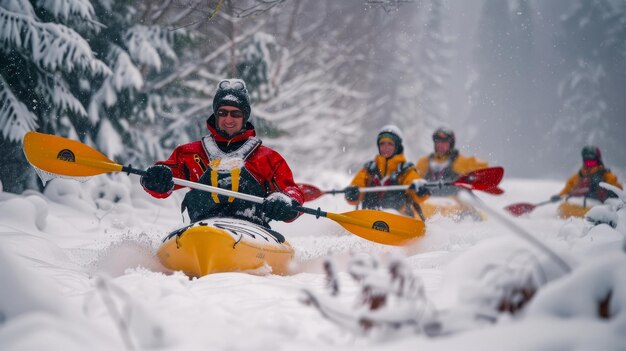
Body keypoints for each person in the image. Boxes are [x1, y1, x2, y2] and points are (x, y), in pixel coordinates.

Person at [140, 78, 304, 228]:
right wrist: (155, 178)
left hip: (253, 233)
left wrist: (287, 203)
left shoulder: (267, 158)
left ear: (244, 116)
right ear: (216, 115)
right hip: (202, 231)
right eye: (222, 113)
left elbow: (291, 190)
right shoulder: (190, 153)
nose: (228, 119)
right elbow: (163, 184)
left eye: (236, 114)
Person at [344, 125, 430, 218]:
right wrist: (352, 195)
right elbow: (357, 191)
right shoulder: (369, 169)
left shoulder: (405, 170)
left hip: (400, 220)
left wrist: (421, 191)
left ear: (397, 146)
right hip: (370, 218)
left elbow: (414, 184)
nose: (386, 147)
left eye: (390, 144)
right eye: (382, 144)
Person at [416, 128, 489, 196]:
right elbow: (414, 179)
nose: (440, 144)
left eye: (444, 141)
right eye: (438, 141)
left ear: (451, 144)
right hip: (427, 203)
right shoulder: (424, 162)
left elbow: (482, 168)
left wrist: (479, 177)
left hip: (453, 204)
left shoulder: (459, 161)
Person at [551, 146, 622, 203]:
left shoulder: (605, 174)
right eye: (587, 163)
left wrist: (606, 192)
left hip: (598, 204)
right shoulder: (579, 175)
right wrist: (560, 196)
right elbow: (568, 188)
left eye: (592, 163)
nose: (589, 166)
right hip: (579, 204)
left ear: (598, 162)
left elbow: (618, 189)